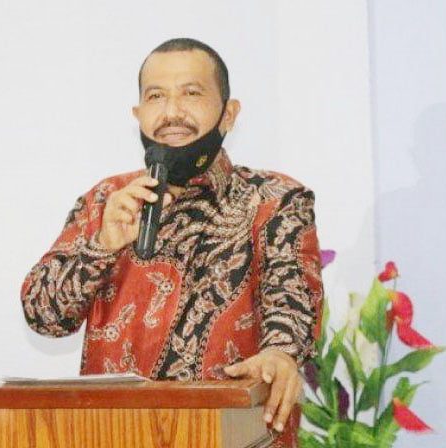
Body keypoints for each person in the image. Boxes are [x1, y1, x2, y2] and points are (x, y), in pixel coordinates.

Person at [20, 38, 323, 447]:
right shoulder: (105, 200)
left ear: (229, 114)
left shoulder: (274, 199)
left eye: (191, 93)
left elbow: (291, 303)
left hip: (233, 434)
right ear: (138, 114)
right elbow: (43, 316)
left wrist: (279, 355)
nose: (172, 112)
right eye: (156, 96)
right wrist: (102, 245)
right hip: (114, 435)